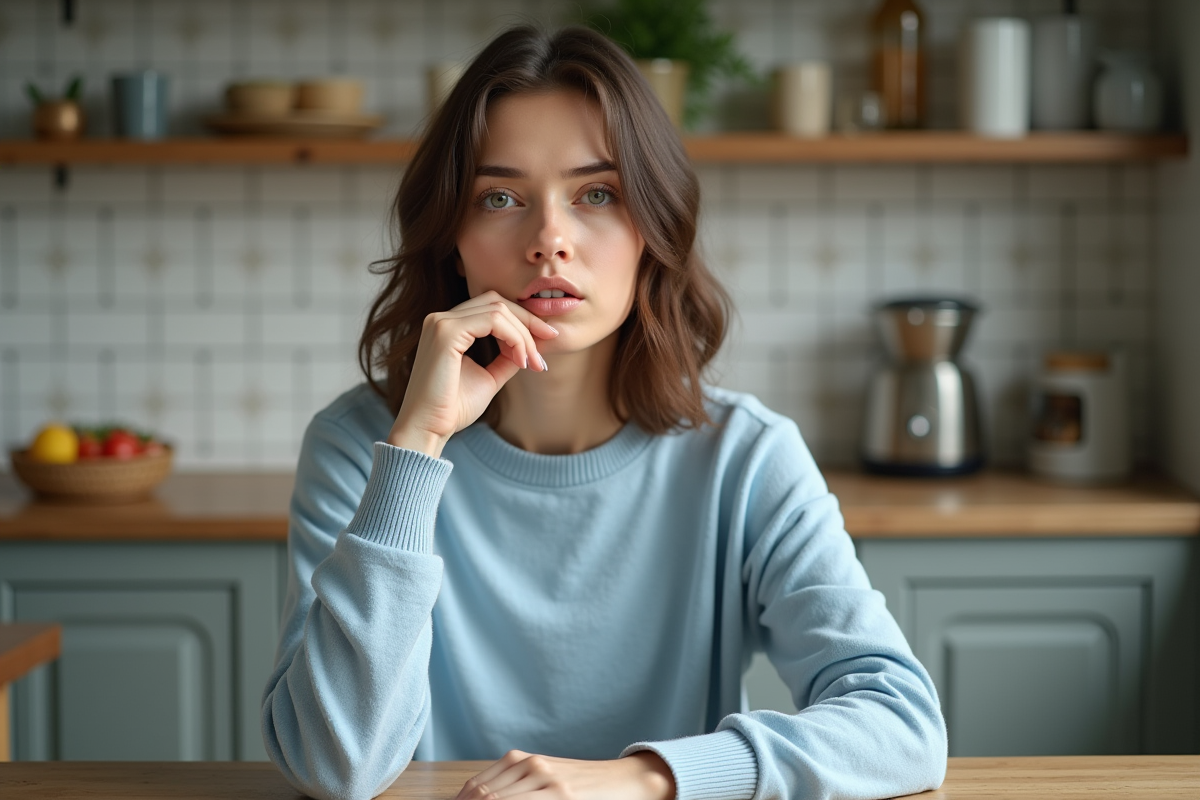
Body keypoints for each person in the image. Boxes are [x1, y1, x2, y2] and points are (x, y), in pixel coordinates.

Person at [261, 24, 947, 800]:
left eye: (597, 194)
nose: (549, 240)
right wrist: (416, 450)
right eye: (499, 197)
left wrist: (646, 778)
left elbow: (903, 727)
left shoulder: (747, 459)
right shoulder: (362, 447)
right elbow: (335, 765)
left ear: (653, 226)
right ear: (453, 239)